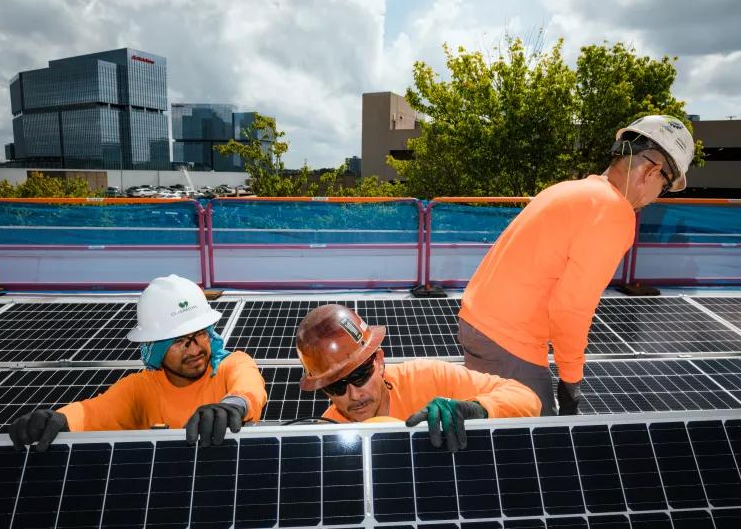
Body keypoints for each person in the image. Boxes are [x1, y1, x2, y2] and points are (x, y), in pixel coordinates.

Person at [458, 115, 696, 416]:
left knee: (495, 438)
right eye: (663, 187)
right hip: (509, 342)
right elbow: (570, 307)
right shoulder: (614, 213)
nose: (654, 198)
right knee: (533, 444)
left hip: (479, 324)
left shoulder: (571, 190)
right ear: (651, 171)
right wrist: (571, 380)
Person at [8, 274, 267, 451]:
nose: (195, 348)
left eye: (200, 334)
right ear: (155, 349)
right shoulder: (140, 389)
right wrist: (59, 419)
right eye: (178, 341)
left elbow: (248, 389)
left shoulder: (231, 365)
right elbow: (93, 412)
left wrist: (232, 407)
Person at [295, 304, 541, 452]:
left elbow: (527, 399)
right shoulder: (329, 434)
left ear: (379, 362)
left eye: (360, 376)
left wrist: (477, 410)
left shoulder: (429, 377)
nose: (354, 394)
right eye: (336, 387)